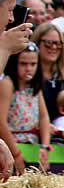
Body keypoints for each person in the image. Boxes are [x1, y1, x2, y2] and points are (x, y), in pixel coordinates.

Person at [0, 44, 51, 174]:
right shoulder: (7, 83)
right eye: (23, 64)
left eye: (33, 64)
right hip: (13, 145)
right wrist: (16, 153)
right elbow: (1, 122)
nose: (28, 69)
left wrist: (45, 146)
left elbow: (44, 117)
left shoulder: (34, 86)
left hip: (32, 145)